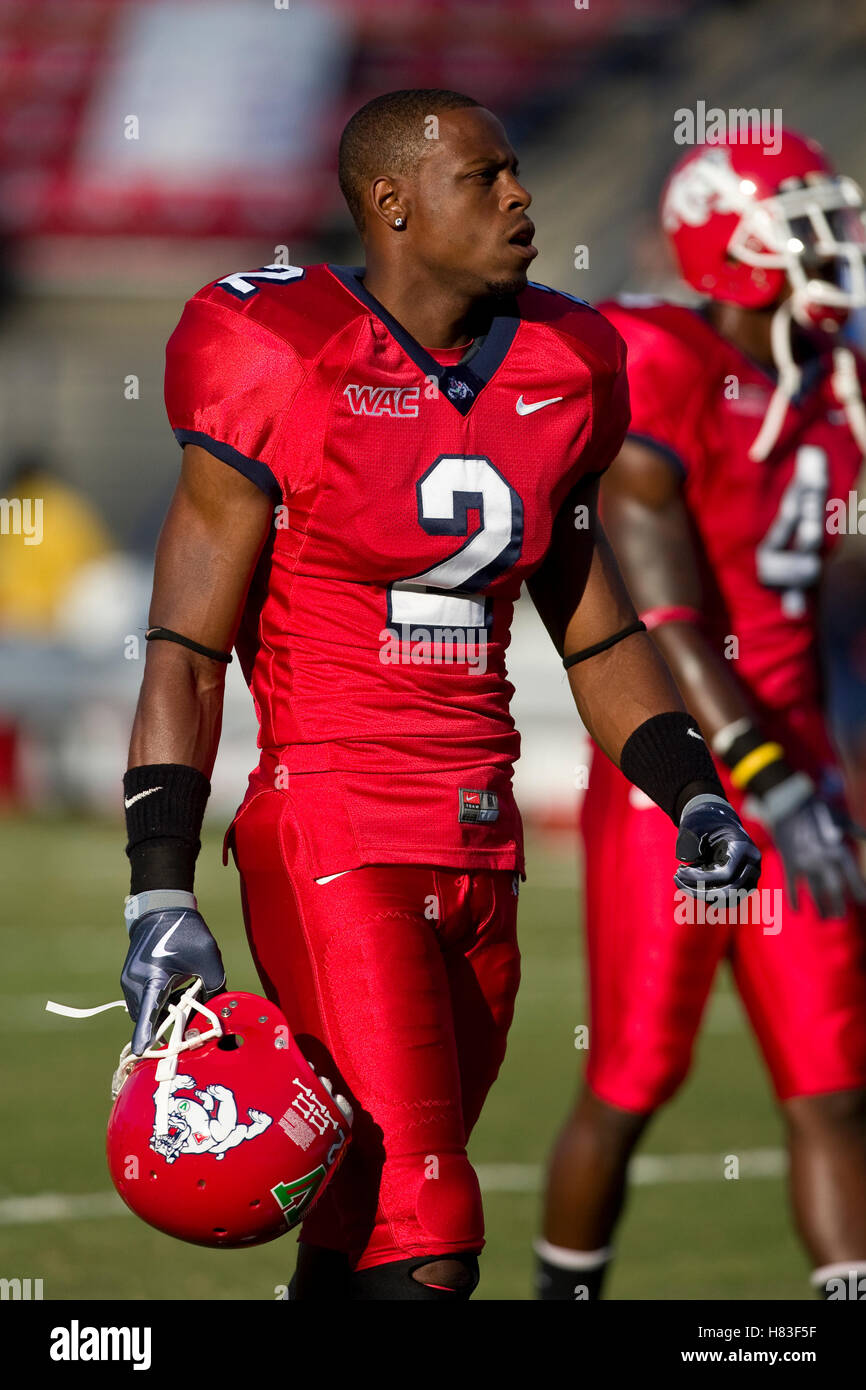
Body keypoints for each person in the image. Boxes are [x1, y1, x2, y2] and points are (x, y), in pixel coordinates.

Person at [119, 89, 758, 1301]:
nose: (522, 196)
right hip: (338, 831)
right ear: (392, 202)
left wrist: (694, 796)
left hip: (481, 839)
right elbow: (184, 653)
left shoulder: (564, 364)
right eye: (485, 176)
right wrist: (160, 887)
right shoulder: (281, 354)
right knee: (432, 1234)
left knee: (364, 1215)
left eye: (518, 168)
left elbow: (596, 626)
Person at [537, 129, 866, 1302]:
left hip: (798, 768)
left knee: (831, 1087)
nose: (835, 246)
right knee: (628, 1082)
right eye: (807, 222)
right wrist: (765, 771)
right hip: (678, 783)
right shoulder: (661, 361)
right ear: (731, 241)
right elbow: (666, 611)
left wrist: (812, 769)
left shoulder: (827, 375)